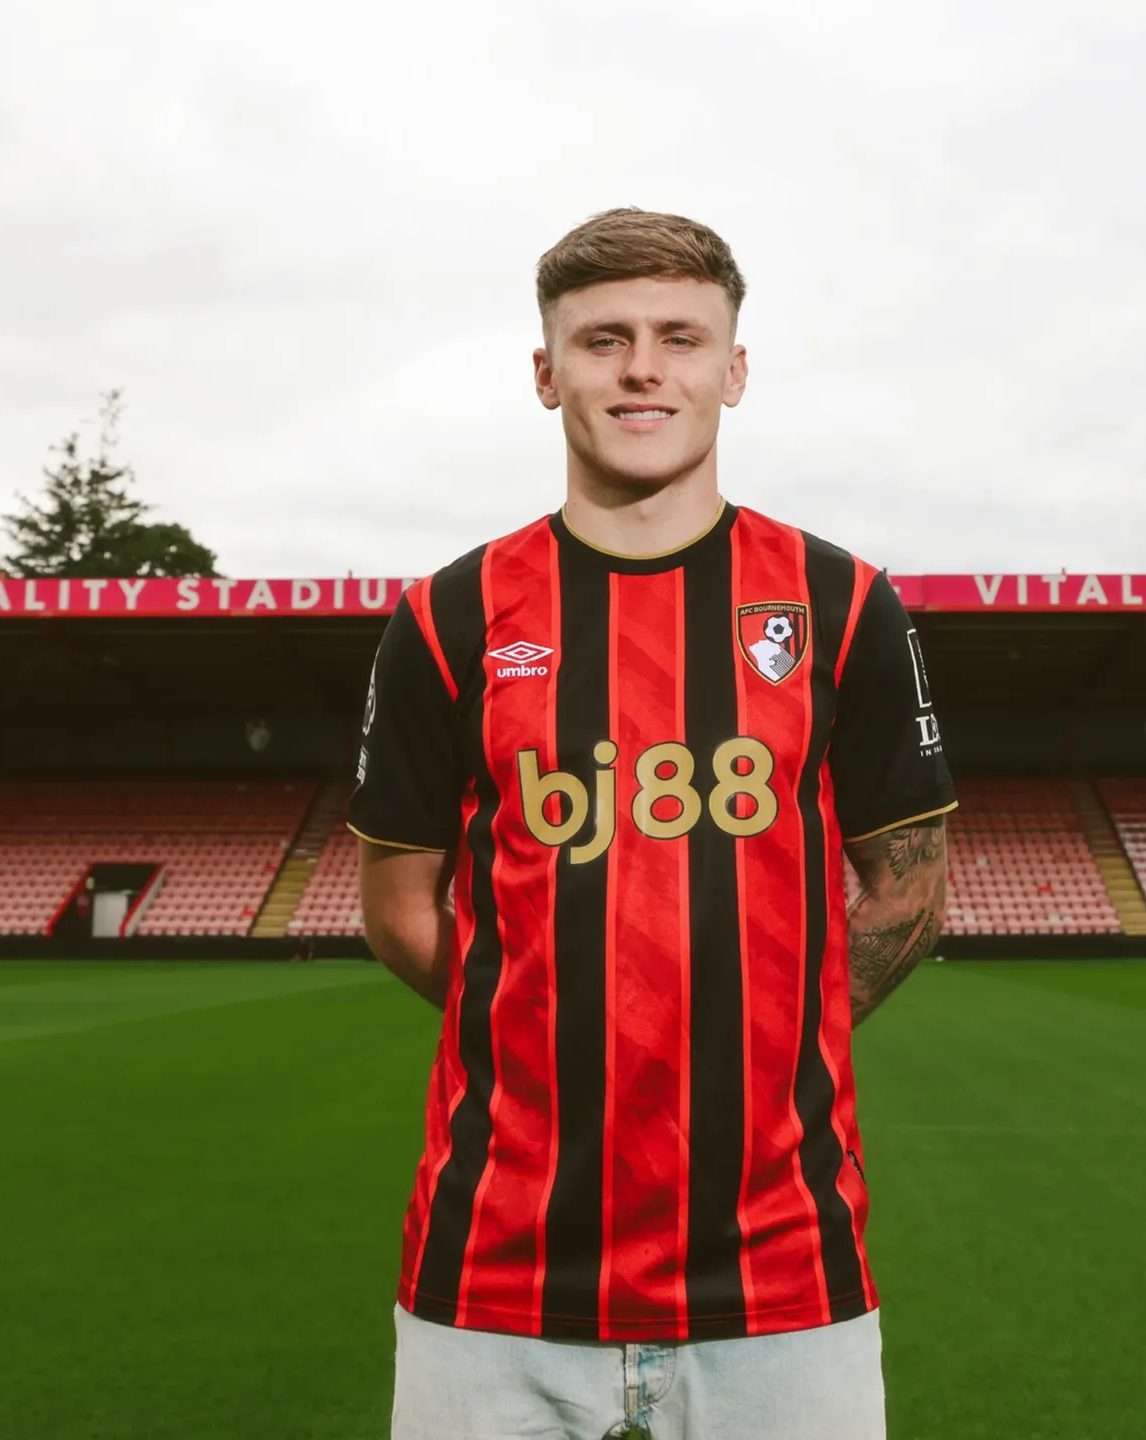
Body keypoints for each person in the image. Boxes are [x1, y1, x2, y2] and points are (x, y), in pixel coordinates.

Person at [350, 208, 954, 1440]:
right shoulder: (448, 616)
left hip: (783, 1268)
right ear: (546, 373)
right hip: (493, 1270)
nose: (642, 370)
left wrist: (766, 1043)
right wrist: (542, 1033)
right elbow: (400, 908)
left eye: (680, 338)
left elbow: (908, 891)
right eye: (603, 340)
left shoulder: (841, 603)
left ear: (733, 370)